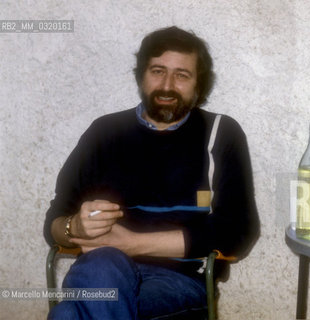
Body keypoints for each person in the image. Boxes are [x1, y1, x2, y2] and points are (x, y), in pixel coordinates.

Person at [43, 26, 260, 319]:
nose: (167, 85)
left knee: (69, 314)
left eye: (182, 75)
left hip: (179, 280)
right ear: (141, 76)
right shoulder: (103, 133)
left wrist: (131, 243)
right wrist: (74, 228)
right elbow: (54, 225)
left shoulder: (220, 133)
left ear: (199, 85)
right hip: (99, 272)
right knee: (103, 266)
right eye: (158, 71)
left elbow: (238, 230)